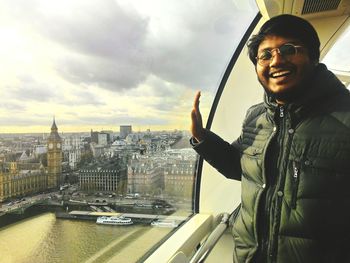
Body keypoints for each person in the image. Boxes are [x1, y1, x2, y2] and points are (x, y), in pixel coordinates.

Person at [190, 14, 350, 263]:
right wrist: (203, 139)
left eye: (288, 49)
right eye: (265, 55)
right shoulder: (256, 116)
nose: (276, 60)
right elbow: (242, 168)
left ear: (313, 57)